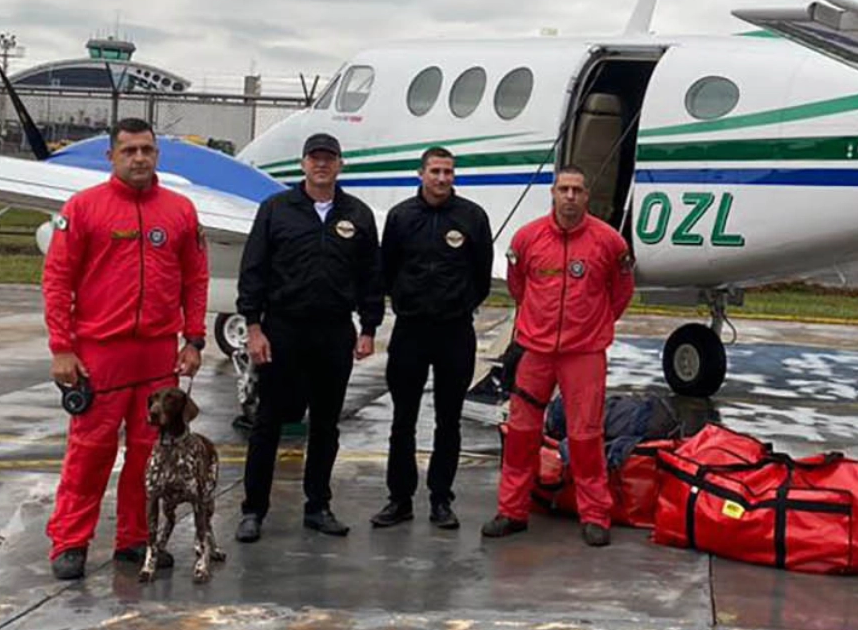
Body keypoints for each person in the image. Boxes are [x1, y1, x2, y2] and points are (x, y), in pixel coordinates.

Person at [43, 118, 209, 580]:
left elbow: (195, 278)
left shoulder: (179, 211)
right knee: (90, 450)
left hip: (157, 354)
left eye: (147, 150)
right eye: (129, 150)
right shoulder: (83, 208)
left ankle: (136, 538)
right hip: (100, 353)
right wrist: (62, 347)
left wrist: (193, 339)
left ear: (157, 155)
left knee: (150, 451)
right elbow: (57, 280)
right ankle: (70, 541)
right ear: (111, 156)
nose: (139, 158)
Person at [235, 132, 383, 541]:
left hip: (334, 331)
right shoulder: (276, 210)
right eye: (314, 158)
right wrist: (253, 325)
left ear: (340, 165)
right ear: (303, 164)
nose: (322, 165)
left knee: (325, 425)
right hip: (283, 329)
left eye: (329, 159)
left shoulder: (358, 214)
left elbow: (371, 275)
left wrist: (369, 327)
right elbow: (254, 270)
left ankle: (318, 505)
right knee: (268, 423)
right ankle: (253, 510)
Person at [483, 165, 635, 546]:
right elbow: (519, 287)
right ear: (553, 193)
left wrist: (594, 326)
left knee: (585, 436)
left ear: (587, 196)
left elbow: (621, 292)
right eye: (563, 189)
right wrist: (539, 325)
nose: (570, 196)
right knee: (520, 434)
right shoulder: (528, 239)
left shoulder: (609, 242)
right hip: (535, 352)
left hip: (584, 354)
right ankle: (512, 511)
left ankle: (595, 515)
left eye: (577, 190)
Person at [371, 146, 493, 531]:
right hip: (411, 331)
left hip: (454, 332)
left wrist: (456, 304)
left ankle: (441, 499)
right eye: (436, 171)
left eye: (449, 172)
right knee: (402, 420)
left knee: (449, 420)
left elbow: (483, 276)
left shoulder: (473, 217)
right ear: (421, 174)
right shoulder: (400, 217)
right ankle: (400, 498)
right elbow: (385, 270)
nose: (442, 178)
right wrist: (410, 301)